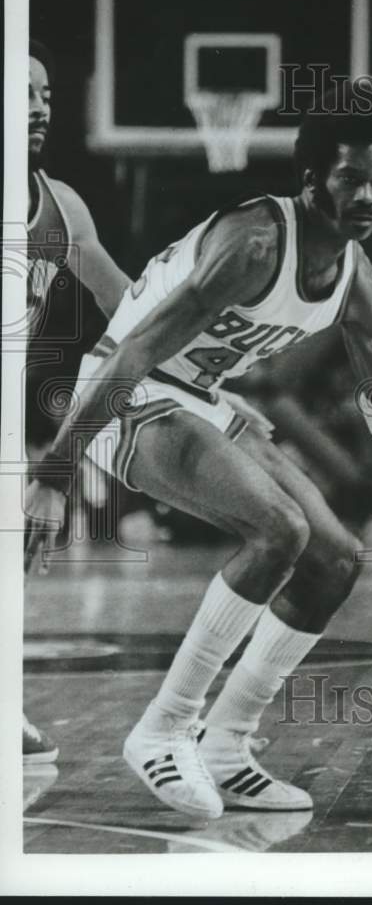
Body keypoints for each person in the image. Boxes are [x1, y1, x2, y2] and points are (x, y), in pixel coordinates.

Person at [24, 81, 372, 820]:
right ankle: (163, 729)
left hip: (200, 396)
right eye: (351, 179)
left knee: (336, 557)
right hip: (125, 392)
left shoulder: (361, 286)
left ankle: (228, 743)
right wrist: (55, 475)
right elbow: (134, 352)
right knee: (279, 529)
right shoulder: (254, 244)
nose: (367, 198)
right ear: (311, 179)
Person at [24, 39, 130, 763]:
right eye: (22, 92)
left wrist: (206, 375)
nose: (39, 108)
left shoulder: (60, 208)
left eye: (48, 94)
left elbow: (129, 306)